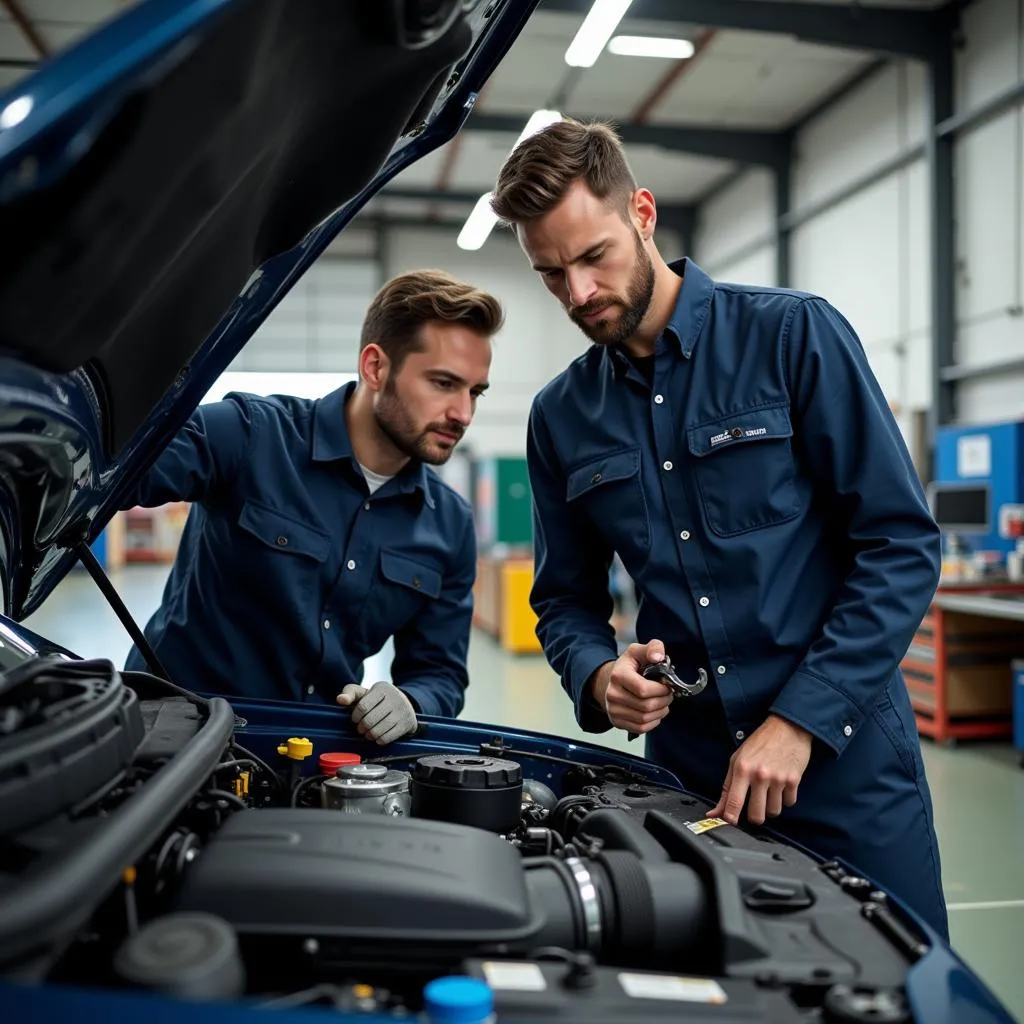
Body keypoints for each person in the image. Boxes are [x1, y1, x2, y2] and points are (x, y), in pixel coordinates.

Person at [489, 119, 948, 939]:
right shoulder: (561, 416)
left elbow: (900, 545)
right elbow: (562, 599)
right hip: (692, 784)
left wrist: (801, 720)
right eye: (551, 275)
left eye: (593, 256)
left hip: (846, 769)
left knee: (903, 983)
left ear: (641, 211)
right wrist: (599, 676)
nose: (578, 293)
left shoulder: (793, 336)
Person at [122, 269, 503, 745]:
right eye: (444, 384)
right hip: (172, 737)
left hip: (309, 756)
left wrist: (412, 701)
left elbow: (439, 673)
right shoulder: (250, 436)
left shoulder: (449, 525)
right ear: (375, 367)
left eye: (475, 392)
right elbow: (119, 470)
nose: (463, 414)